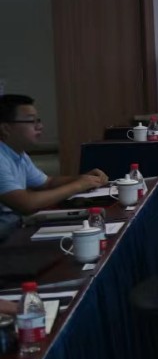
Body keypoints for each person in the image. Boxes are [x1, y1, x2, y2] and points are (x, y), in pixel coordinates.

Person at [0, 93, 110, 245]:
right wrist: (78, 185)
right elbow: (26, 204)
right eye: (31, 121)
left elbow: (47, 182)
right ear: (6, 128)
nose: (40, 126)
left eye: (38, 120)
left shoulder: (18, 153)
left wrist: (84, 179)